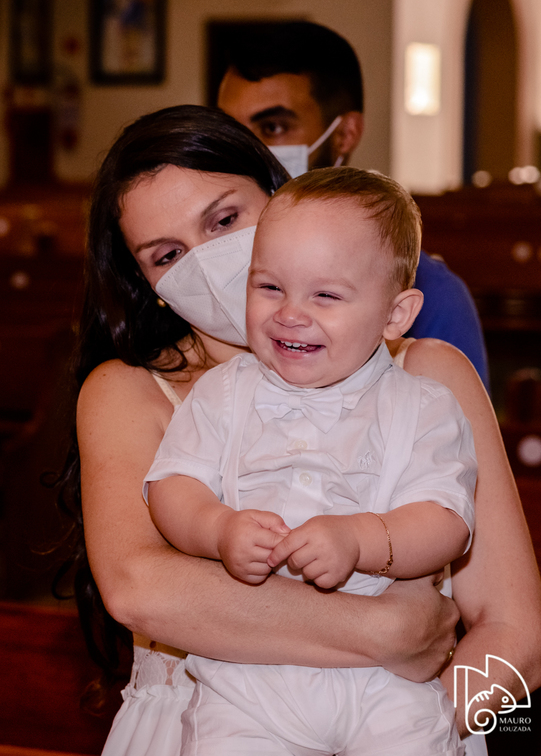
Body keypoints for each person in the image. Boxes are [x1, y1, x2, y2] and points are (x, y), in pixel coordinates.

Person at [57, 105, 541, 756]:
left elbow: (523, 643)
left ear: (281, 193)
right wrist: (382, 629)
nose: (209, 259)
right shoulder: (127, 391)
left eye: (225, 219)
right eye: (168, 253)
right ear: (148, 284)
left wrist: (417, 725)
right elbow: (141, 589)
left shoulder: (430, 380)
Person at [146, 167, 476, 755]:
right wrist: (217, 528)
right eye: (269, 287)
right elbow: (172, 485)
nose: (290, 313)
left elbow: (447, 520)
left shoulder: (423, 403)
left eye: (325, 295)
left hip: (386, 680)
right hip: (247, 677)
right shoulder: (223, 393)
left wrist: (362, 541)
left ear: (396, 315)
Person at [215, 21, 490, 388]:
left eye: (274, 127)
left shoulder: (431, 292)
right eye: (230, 130)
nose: (245, 149)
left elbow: (458, 436)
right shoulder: (212, 272)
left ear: (344, 134)